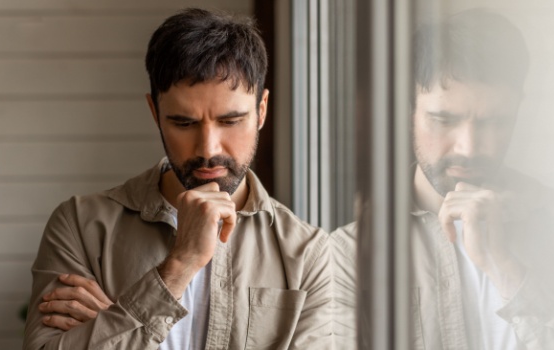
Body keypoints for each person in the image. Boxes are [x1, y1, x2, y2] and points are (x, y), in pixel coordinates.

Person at [22, 8, 349, 350]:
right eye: (183, 123)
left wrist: (116, 325)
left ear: (261, 111)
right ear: (155, 114)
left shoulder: (309, 254)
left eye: (230, 121)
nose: (208, 149)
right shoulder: (81, 225)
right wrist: (180, 265)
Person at [332, 8, 554, 350]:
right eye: (443, 119)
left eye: (495, 122)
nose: (468, 147)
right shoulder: (349, 255)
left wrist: (506, 270)